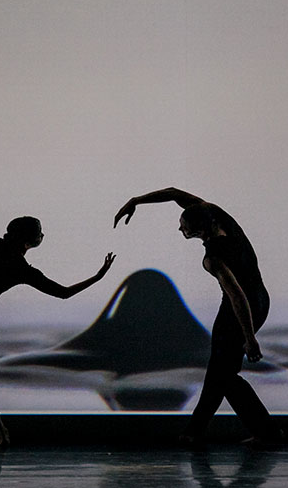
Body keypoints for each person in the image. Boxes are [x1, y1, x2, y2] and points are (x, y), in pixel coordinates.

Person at [0, 216, 115, 447]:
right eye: (39, 233)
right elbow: (64, 293)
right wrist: (98, 276)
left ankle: (1, 433)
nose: (41, 236)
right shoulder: (21, 268)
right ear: (30, 240)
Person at [114, 187, 278, 445]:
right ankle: (194, 432)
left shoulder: (213, 257)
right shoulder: (217, 214)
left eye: (183, 227)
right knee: (219, 371)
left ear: (198, 232)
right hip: (260, 300)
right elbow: (172, 192)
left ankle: (266, 432)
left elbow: (236, 295)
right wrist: (136, 200)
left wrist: (249, 337)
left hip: (241, 309)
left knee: (223, 375)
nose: (180, 229)